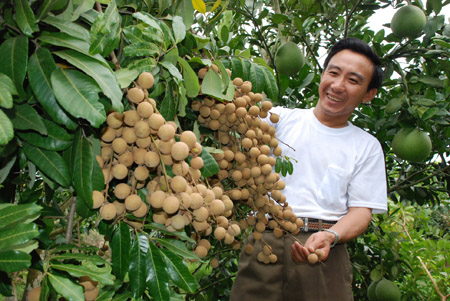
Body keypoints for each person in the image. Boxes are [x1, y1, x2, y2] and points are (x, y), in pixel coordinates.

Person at [230, 37, 388, 300]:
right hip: (263, 244)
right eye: (333, 73)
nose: (338, 85)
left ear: (369, 94)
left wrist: (330, 235)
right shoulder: (277, 120)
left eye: (353, 80)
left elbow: (361, 212)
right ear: (322, 75)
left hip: (324, 251)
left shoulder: (366, 146)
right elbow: (229, 115)